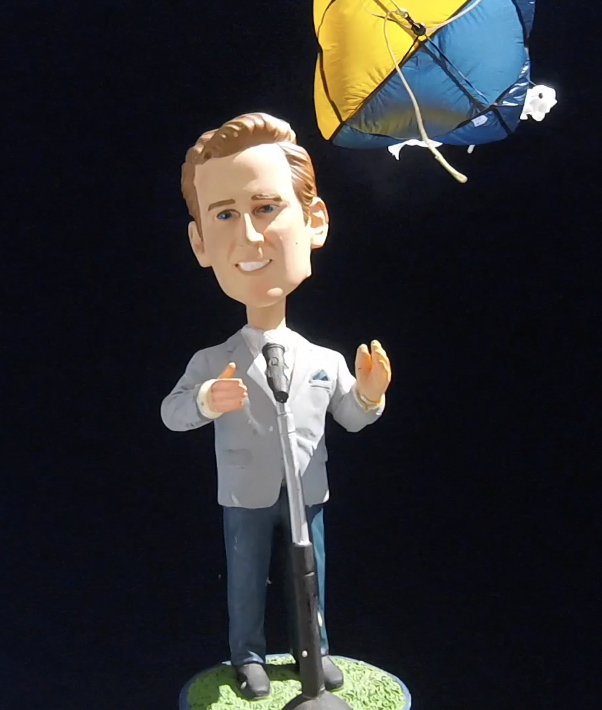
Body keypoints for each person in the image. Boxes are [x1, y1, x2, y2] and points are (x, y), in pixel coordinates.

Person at [161, 112, 391, 700]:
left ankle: (316, 649)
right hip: (244, 494)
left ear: (314, 221)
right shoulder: (214, 360)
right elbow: (172, 412)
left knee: (311, 576)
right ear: (200, 243)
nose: (249, 235)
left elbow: (351, 416)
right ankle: (248, 656)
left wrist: (369, 393)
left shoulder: (323, 357)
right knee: (245, 579)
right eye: (224, 215)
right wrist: (207, 401)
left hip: (307, 490)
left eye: (266, 208)